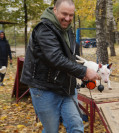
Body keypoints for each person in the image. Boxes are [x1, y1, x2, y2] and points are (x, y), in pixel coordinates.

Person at [20, 0, 100, 132]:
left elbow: (70, 57)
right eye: (64, 14)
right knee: (51, 130)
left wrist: (80, 70)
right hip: (44, 89)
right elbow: (56, 59)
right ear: (54, 10)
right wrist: (84, 71)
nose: (68, 18)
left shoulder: (68, 30)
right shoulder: (44, 29)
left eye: (71, 15)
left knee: (76, 126)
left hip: (66, 87)